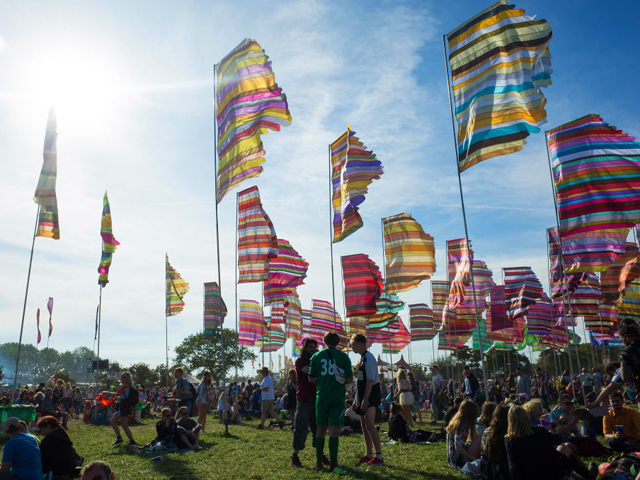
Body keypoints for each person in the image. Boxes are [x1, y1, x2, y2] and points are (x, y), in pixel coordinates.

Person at [309, 331, 353, 474]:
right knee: (334, 431)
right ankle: (333, 463)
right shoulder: (344, 357)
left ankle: (318, 462)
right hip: (338, 397)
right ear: (338, 342)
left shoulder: (316, 356)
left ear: (324, 341)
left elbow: (311, 378)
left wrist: (322, 382)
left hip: (321, 396)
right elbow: (349, 379)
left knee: (320, 429)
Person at [504, 405, 574, 480]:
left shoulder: (510, 439)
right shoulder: (538, 431)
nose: (542, 410)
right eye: (539, 409)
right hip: (549, 472)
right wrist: (548, 428)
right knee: (565, 449)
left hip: (528, 475)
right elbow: (557, 439)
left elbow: (513, 465)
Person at [350, 333, 383, 466]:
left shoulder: (369, 358)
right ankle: (368, 453)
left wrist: (365, 399)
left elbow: (370, 381)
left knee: (370, 424)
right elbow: (360, 382)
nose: (352, 347)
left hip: (370, 395)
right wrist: (356, 400)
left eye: (353, 344)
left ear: (360, 343)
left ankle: (379, 456)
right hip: (363, 395)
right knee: (364, 425)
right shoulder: (362, 359)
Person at [291, 338, 322, 469]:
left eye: (315, 348)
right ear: (305, 347)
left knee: (318, 429)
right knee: (300, 428)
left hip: (316, 399)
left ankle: (320, 456)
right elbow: (308, 370)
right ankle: (295, 456)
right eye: (310, 347)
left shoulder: (317, 360)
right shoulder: (300, 361)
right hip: (304, 399)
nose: (313, 350)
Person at [446, 399, 480, 469]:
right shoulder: (460, 426)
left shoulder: (459, 423)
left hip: (454, 459)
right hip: (457, 460)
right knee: (480, 438)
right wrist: (473, 458)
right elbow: (458, 447)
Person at [480, 404, 510, 480]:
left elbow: (483, 452)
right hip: (507, 471)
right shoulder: (512, 434)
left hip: (490, 471)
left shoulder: (488, 432)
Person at [109, 371, 137, 446]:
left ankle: (125, 439)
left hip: (123, 407)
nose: (120, 378)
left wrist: (106, 392)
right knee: (123, 425)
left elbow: (117, 394)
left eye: (121, 377)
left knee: (116, 423)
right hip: (123, 407)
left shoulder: (125, 386)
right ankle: (129, 440)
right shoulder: (126, 386)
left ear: (124, 378)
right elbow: (120, 393)